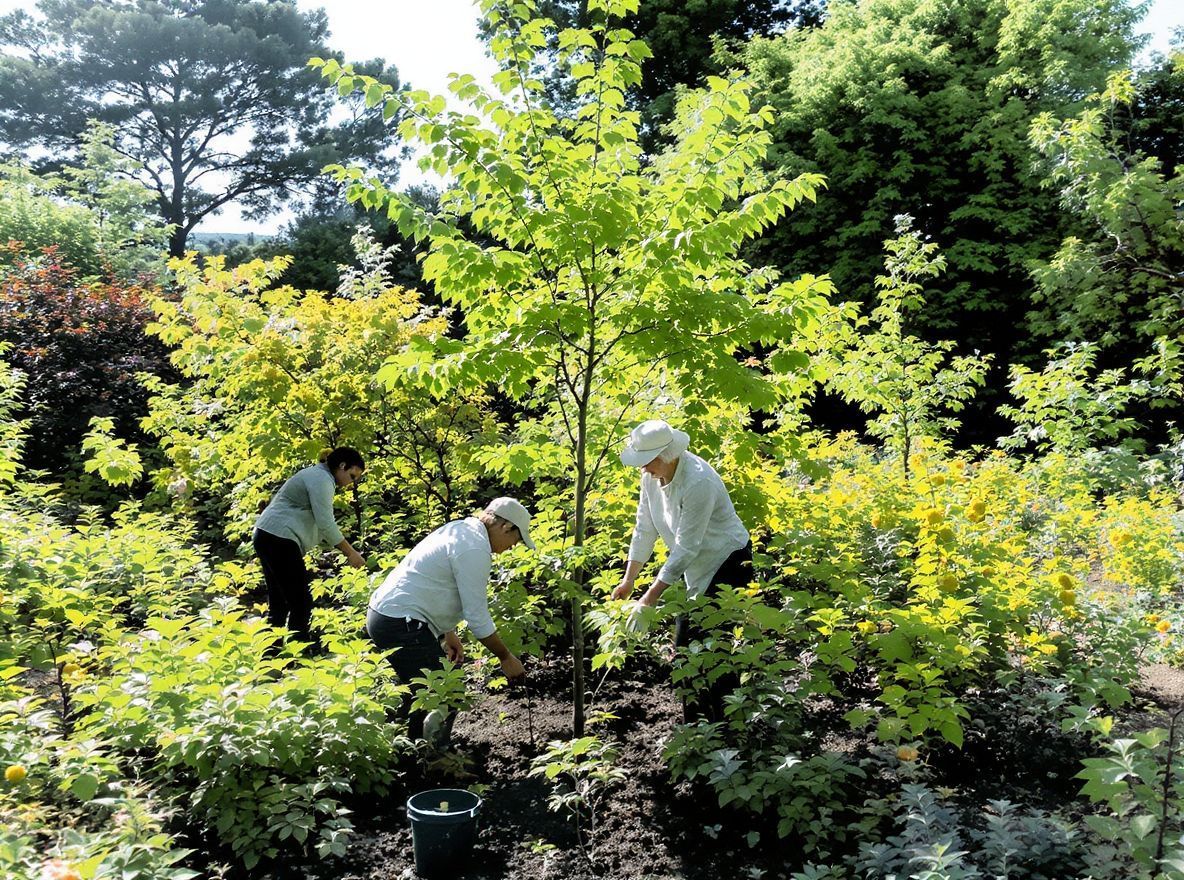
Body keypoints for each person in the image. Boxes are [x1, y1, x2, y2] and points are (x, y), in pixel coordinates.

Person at [611, 419, 752, 723]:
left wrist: (649, 599)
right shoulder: (651, 477)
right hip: (693, 568)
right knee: (684, 654)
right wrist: (629, 580)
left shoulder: (697, 482)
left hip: (727, 562)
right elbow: (644, 527)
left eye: (646, 463)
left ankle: (726, 732)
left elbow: (687, 547)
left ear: (666, 456)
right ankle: (696, 732)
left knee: (715, 651)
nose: (642, 469)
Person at [366, 497, 536, 741]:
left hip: (388, 616)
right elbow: (477, 616)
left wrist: (448, 632)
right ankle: (431, 760)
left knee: (418, 693)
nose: (513, 546)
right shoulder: (474, 547)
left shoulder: (461, 530)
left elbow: (438, 585)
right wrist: (505, 657)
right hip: (400, 622)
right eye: (516, 540)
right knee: (446, 693)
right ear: (505, 527)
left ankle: (402, 752)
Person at [253, 447, 367, 649]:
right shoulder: (322, 479)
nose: (352, 482)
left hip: (267, 534)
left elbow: (318, 527)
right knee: (301, 602)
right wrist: (351, 553)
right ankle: (296, 656)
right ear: (342, 466)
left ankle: (271, 659)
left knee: (280, 603)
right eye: (352, 475)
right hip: (279, 538)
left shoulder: (316, 476)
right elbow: (325, 523)